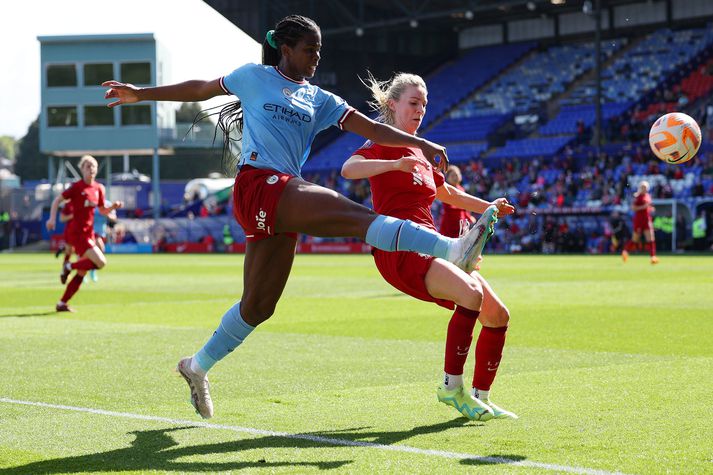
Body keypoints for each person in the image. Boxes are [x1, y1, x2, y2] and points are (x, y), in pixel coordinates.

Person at [103, 15, 490, 419]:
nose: (316, 57)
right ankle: (450, 248)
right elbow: (200, 88)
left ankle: (196, 366)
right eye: (309, 49)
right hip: (259, 185)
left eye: (320, 50)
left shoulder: (320, 99)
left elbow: (373, 131)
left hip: (281, 199)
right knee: (356, 216)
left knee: (258, 307)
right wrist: (140, 93)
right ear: (285, 49)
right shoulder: (253, 77)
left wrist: (420, 142)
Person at [342, 72, 517, 421]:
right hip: (399, 248)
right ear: (392, 105)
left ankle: (481, 396)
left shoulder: (422, 151)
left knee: (497, 316)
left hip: (433, 244)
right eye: (413, 102)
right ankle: (451, 388)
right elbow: (349, 169)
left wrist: (490, 207)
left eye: (424, 103)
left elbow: (448, 194)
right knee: (471, 296)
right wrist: (394, 163)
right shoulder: (381, 142)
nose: (421, 109)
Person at [46, 155, 123, 312]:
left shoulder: (99, 188)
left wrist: (113, 207)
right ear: (82, 169)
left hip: (89, 233)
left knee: (82, 271)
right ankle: (68, 265)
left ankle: (62, 303)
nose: (91, 168)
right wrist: (52, 219)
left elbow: (101, 210)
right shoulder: (76, 187)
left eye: (93, 165)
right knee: (101, 262)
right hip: (77, 234)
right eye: (88, 166)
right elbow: (56, 201)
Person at [622, 180, 658, 264]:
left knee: (651, 238)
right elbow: (633, 208)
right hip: (639, 220)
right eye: (642, 187)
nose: (644, 189)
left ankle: (653, 257)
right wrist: (643, 207)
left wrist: (650, 208)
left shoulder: (648, 196)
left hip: (647, 219)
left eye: (645, 187)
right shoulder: (637, 197)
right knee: (635, 239)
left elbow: (648, 206)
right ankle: (625, 251)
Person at [439, 165, 475, 238]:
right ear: (447, 178)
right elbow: (449, 206)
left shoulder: (462, 189)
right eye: (452, 176)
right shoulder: (446, 189)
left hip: (461, 223)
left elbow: (464, 209)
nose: (455, 177)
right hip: (449, 223)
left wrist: (469, 217)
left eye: (456, 175)